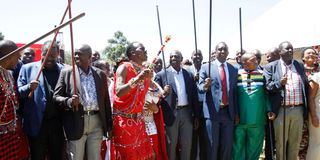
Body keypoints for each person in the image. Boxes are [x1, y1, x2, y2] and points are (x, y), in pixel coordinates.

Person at [53, 44, 112, 160]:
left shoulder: (100, 74)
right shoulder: (67, 73)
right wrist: (69, 101)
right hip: (76, 121)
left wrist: (109, 125)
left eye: (79, 53)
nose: (75, 56)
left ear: (89, 56)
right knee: (76, 157)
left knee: (95, 157)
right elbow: (56, 97)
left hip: (97, 121)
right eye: (75, 53)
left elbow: (106, 102)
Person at [17, 40, 64, 160]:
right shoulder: (27, 68)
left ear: (58, 54)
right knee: (37, 156)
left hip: (57, 124)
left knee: (57, 156)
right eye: (46, 55)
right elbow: (18, 93)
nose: (49, 59)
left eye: (52, 56)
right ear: (41, 53)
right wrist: (28, 87)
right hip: (37, 124)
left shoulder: (64, 70)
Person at [264, 41, 308, 160]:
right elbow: (267, 87)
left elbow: (305, 86)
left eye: (291, 48)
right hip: (281, 110)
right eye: (287, 48)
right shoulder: (271, 67)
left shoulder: (299, 65)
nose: (290, 50)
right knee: (281, 143)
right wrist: (279, 83)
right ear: (280, 52)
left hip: (298, 109)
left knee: (295, 142)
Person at [154, 50, 200, 160]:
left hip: (186, 114)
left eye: (176, 56)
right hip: (170, 115)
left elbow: (194, 96)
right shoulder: (161, 75)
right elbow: (154, 97)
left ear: (181, 58)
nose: (173, 57)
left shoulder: (188, 74)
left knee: (186, 144)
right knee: (171, 145)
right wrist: (162, 93)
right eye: (171, 56)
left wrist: (196, 115)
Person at [112, 42, 154, 160]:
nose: (146, 51)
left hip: (139, 122)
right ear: (132, 53)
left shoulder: (144, 70)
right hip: (124, 120)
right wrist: (137, 79)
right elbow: (119, 91)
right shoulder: (123, 67)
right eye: (142, 49)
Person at [198, 42, 238, 160]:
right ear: (215, 52)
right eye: (219, 49)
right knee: (212, 145)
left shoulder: (233, 69)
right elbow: (200, 88)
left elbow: (234, 93)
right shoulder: (206, 67)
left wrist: (236, 113)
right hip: (212, 113)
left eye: (224, 49)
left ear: (228, 53)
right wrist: (205, 86)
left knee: (227, 146)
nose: (222, 51)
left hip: (228, 113)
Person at [232, 52, 275, 160]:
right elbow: (232, 95)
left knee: (254, 148)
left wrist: (269, 109)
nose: (257, 61)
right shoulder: (235, 74)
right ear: (245, 63)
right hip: (239, 120)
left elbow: (266, 94)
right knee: (237, 148)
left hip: (257, 119)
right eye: (253, 59)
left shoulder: (262, 74)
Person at [0, 40, 24, 159]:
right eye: (17, 57)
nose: (19, 61)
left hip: (11, 134)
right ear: (9, 57)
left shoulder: (9, 74)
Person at [187, 49, 206, 160]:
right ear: (191, 57)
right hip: (192, 107)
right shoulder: (187, 70)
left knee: (204, 136)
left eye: (199, 54)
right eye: (195, 54)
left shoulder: (207, 69)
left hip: (204, 107)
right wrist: (192, 81)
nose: (197, 56)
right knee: (193, 137)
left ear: (202, 57)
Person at [306, 72, 320, 160]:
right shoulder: (317, 77)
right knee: (316, 143)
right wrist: (314, 116)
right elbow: (310, 97)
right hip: (318, 114)